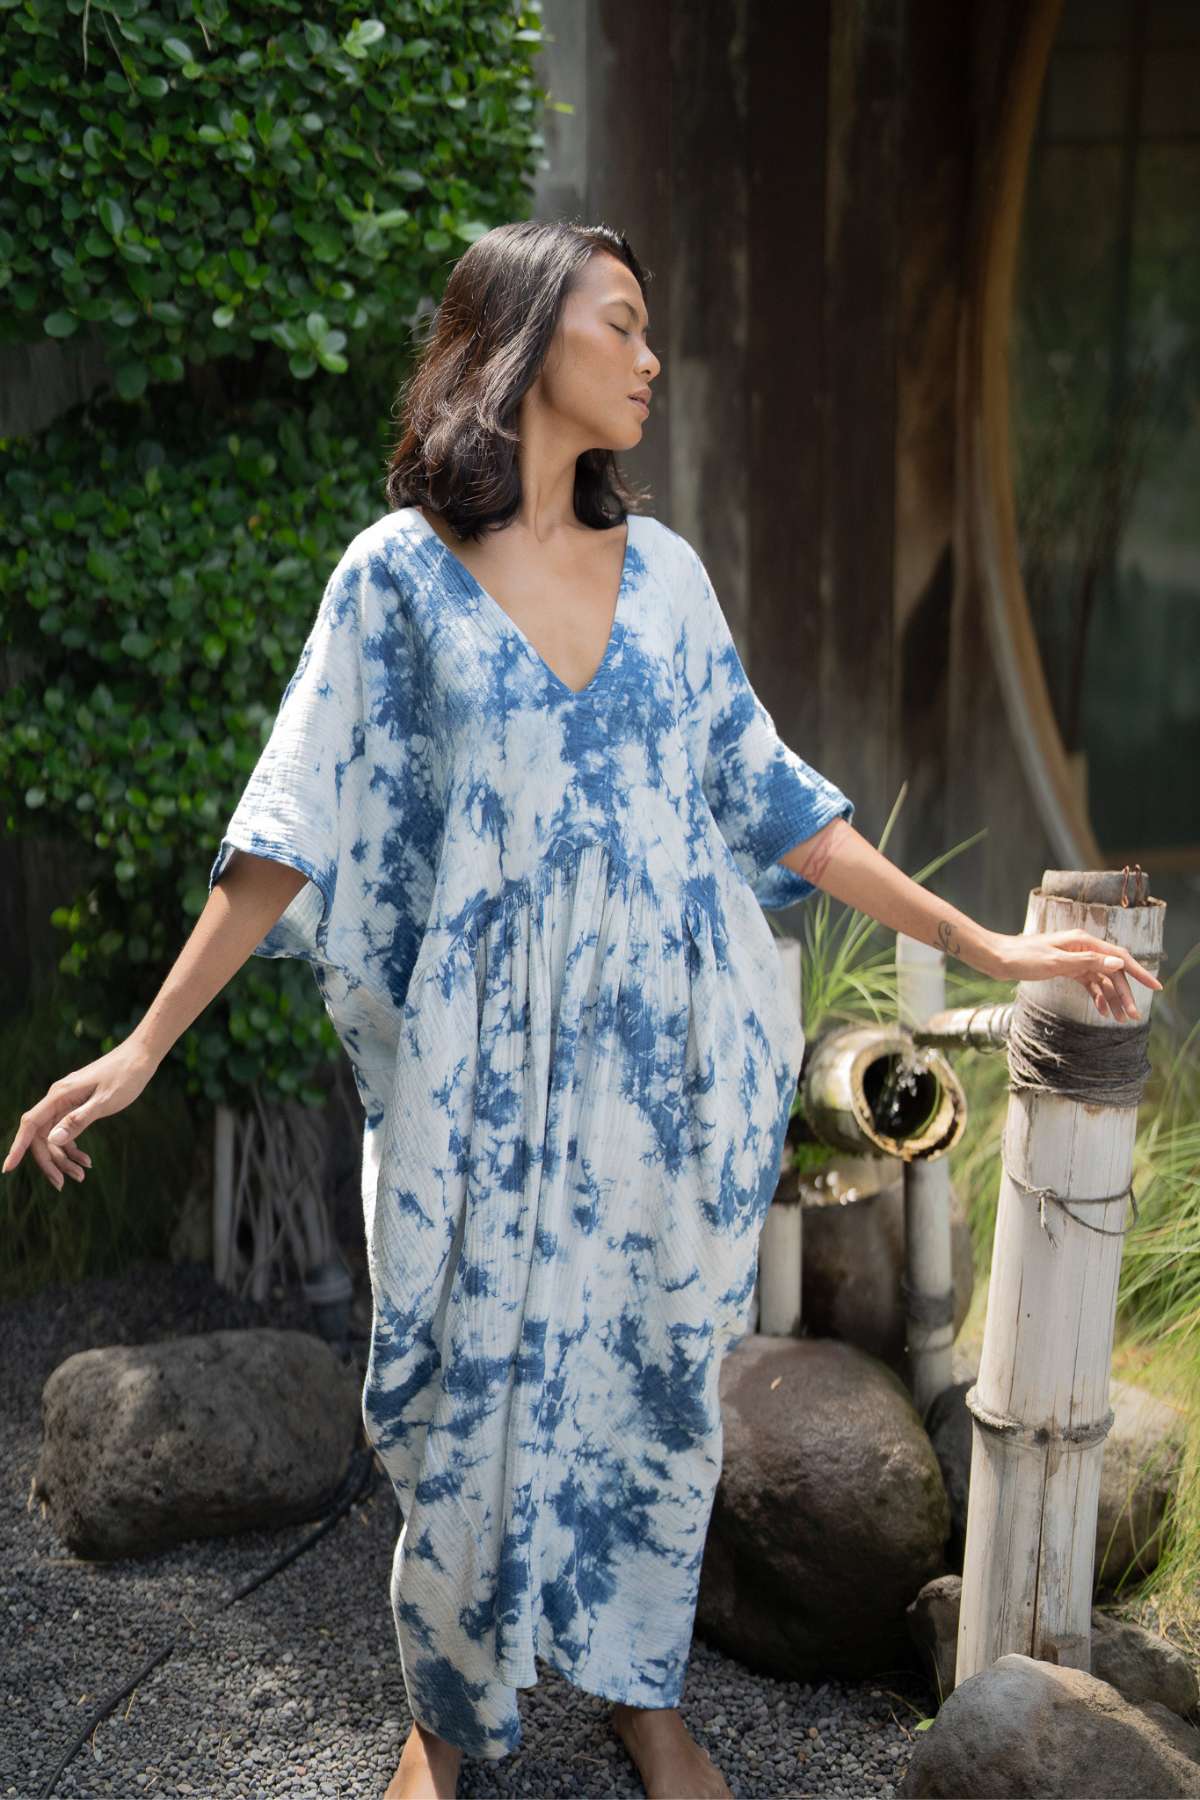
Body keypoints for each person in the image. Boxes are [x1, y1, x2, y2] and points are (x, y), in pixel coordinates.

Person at [3, 220, 1162, 1800]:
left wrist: (996, 949)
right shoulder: (396, 579)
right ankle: (450, 1712)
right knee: (455, 1387)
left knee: (653, 1383)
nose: (652, 358)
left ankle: (641, 1694)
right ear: (533, 338)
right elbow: (293, 825)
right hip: (475, 1079)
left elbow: (789, 812)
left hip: (659, 1069)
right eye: (622, 324)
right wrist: (142, 1046)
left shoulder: (671, 578)